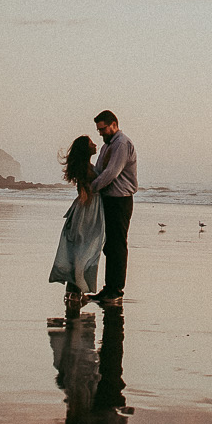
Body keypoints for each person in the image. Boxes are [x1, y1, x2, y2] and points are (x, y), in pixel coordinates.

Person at [48, 136, 105, 308]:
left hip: (86, 210)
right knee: (82, 251)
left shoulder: (85, 167)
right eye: (91, 144)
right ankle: (74, 291)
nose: (95, 145)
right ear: (85, 149)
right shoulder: (85, 169)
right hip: (87, 212)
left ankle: (74, 290)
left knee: (80, 251)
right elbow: (88, 192)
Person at [88, 109, 136, 304]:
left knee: (117, 245)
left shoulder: (121, 144)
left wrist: (91, 189)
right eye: (99, 130)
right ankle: (109, 288)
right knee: (110, 245)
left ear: (114, 125)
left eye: (103, 129)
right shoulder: (107, 146)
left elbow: (110, 173)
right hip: (109, 199)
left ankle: (116, 290)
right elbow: (100, 171)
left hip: (120, 200)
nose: (101, 133)